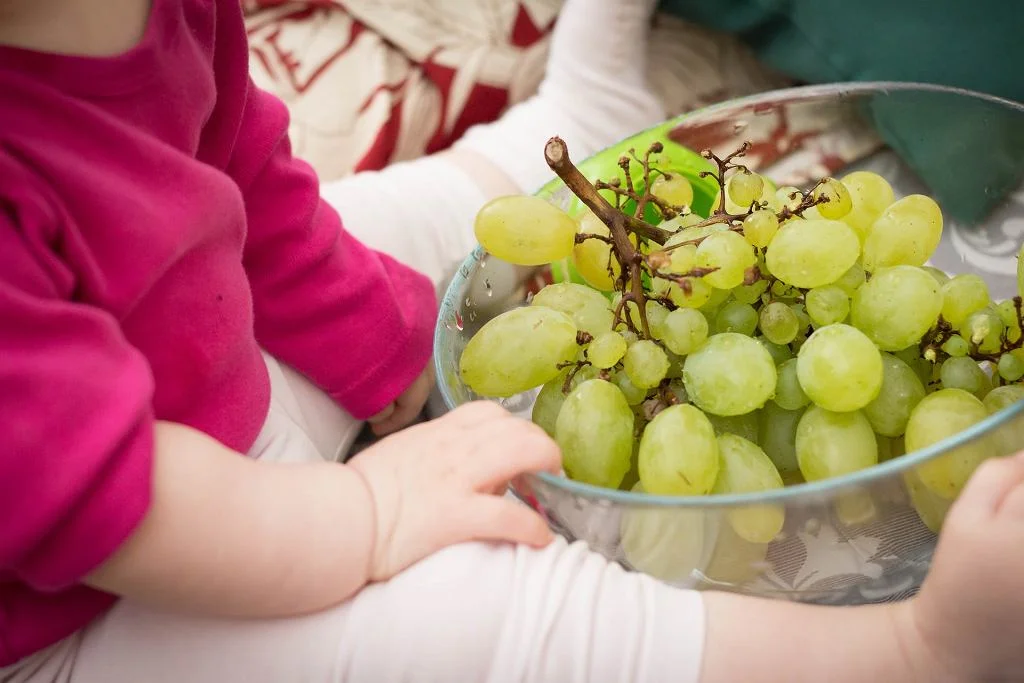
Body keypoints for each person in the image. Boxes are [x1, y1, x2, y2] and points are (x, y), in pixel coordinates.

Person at [1, 2, 1023, 683]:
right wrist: (362, 510)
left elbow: (243, 187)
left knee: (356, 228)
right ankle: (913, 648)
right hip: (88, 604)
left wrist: (381, 343)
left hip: (180, 380)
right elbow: (100, 492)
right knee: (477, 609)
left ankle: (571, 121)